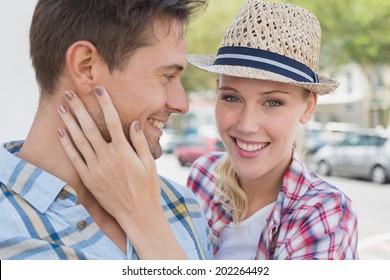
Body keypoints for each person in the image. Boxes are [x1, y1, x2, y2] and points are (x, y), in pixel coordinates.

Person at [55, 0, 359, 259]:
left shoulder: (325, 212)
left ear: (307, 107)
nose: (246, 124)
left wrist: (142, 217)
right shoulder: (204, 176)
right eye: (231, 97)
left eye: (273, 103)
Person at [0, 0, 212, 260]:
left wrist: (149, 224)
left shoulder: (181, 206)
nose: (182, 104)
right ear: (86, 66)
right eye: (167, 76)